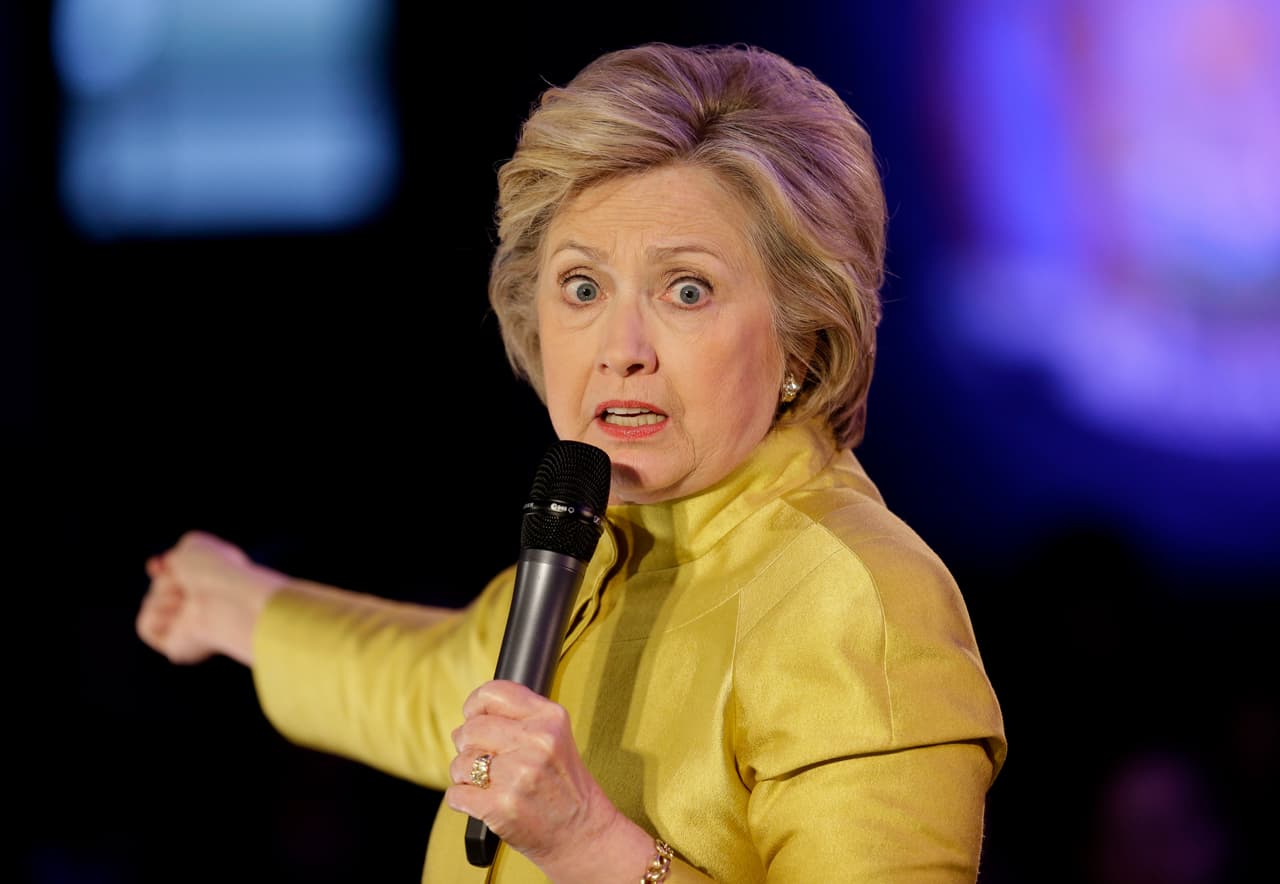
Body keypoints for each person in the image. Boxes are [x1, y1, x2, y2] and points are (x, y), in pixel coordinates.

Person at [136, 41, 1007, 883]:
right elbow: (419, 682)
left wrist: (590, 843)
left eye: (686, 289)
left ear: (804, 340)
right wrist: (235, 605)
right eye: (583, 288)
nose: (619, 350)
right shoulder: (595, 552)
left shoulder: (863, 602)